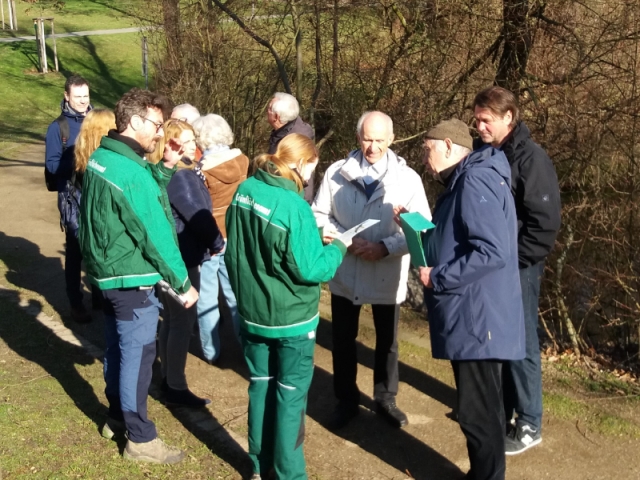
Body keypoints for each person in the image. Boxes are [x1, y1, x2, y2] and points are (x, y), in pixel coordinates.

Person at [78, 88, 199, 464]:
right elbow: (154, 232)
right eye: (157, 125)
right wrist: (182, 284)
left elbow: (139, 197)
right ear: (134, 122)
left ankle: (116, 417)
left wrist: (165, 167)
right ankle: (141, 439)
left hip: (108, 274)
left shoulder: (105, 157)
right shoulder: (128, 171)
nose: (161, 133)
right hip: (130, 278)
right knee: (139, 355)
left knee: (118, 348)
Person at [225, 134, 347, 480]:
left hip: (252, 312)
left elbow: (247, 245)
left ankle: (259, 464)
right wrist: (339, 247)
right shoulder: (294, 205)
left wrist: (313, 239)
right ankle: (290, 474)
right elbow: (312, 269)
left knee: (260, 386)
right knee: (291, 395)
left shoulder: (246, 189)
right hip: (291, 320)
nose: (311, 176)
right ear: (303, 163)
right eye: (313, 168)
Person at [417, 119, 525, 480]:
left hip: (476, 317)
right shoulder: (463, 180)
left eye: (427, 149)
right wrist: (418, 229)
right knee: (482, 410)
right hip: (473, 313)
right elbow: (457, 239)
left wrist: (438, 277)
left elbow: (491, 251)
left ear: (449, 146)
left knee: (478, 414)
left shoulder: (474, 180)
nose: (424, 158)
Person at [312, 111, 431, 430]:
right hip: (346, 267)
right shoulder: (336, 173)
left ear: (392, 139)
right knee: (342, 338)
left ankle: (385, 398)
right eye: (367, 139)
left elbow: (421, 228)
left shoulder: (408, 179)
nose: (373, 147)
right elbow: (319, 214)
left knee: (387, 341)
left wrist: (385, 248)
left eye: (380, 140)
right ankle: (346, 399)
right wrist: (343, 239)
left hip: (386, 273)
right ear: (357, 137)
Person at [473, 86, 561, 455]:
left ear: (509, 117)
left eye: (486, 120)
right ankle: (504, 410)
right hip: (494, 263)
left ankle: (529, 423)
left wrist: (512, 260)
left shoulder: (531, 159)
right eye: (476, 120)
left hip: (519, 266)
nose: (479, 126)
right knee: (500, 338)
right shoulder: (485, 151)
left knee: (522, 341)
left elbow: (544, 225)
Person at [156, 119, 225, 407]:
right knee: (182, 322)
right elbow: (198, 216)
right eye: (184, 141)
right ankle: (176, 385)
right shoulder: (181, 176)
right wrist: (217, 243)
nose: (191, 145)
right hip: (184, 258)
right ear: (171, 144)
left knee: (172, 319)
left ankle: (167, 377)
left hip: (172, 255)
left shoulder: (169, 170)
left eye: (192, 139)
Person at [192, 114, 248, 363]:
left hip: (210, 239)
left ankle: (211, 350)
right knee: (235, 293)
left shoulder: (201, 171)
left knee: (206, 296)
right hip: (234, 234)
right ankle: (247, 346)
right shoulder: (243, 161)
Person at [45, 74, 93, 323]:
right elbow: (52, 165)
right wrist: (79, 159)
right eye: (78, 96)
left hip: (97, 193)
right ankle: (76, 303)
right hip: (73, 197)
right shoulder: (58, 128)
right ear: (66, 96)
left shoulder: (97, 120)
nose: (83, 101)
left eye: (86, 96)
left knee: (98, 246)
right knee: (75, 251)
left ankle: (100, 295)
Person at [267, 92, 315, 202]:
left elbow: (302, 182)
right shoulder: (282, 132)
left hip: (291, 202)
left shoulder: (294, 143)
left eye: (269, 108)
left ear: (276, 117)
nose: (266, 110)